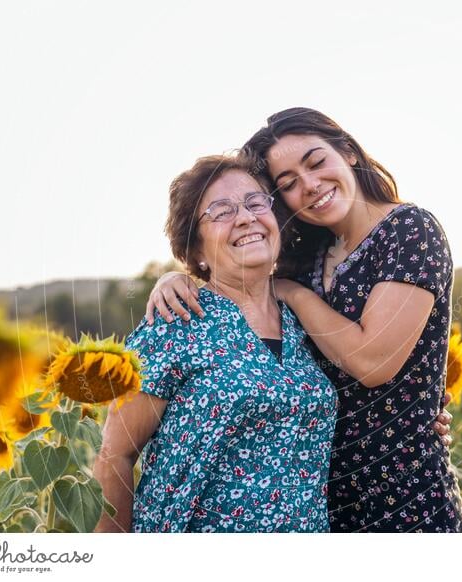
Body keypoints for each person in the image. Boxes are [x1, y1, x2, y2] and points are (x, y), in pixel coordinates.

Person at [147, 108, 462, 532]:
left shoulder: (409, 230)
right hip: (318, 504)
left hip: (403, 496)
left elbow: (373, 362)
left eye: (316, 163)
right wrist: (177, 278)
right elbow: (239, 278)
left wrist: (292, 293)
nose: (310, 186)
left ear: (348, 152)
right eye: (289, 184)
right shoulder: (308, 254)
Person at [94, 155, 337, 532]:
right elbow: (115, 455)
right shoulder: (176, 320)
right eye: (221, 211)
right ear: (196, 252)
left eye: (256, 203)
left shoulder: (307, 321)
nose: (245, 217)